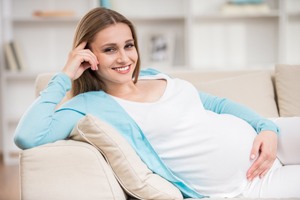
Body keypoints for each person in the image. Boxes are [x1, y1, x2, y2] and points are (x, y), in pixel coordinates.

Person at [14, 7, 300, 198]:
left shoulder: (154, 76)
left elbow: (218, 104)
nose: (124, 58)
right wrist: (65, 73)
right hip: (249, 185)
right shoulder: (89, 105)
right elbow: (28, 136)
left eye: (128, 45)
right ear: (89, 56)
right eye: (110, 49)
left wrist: (266, 128)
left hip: (270, 136)